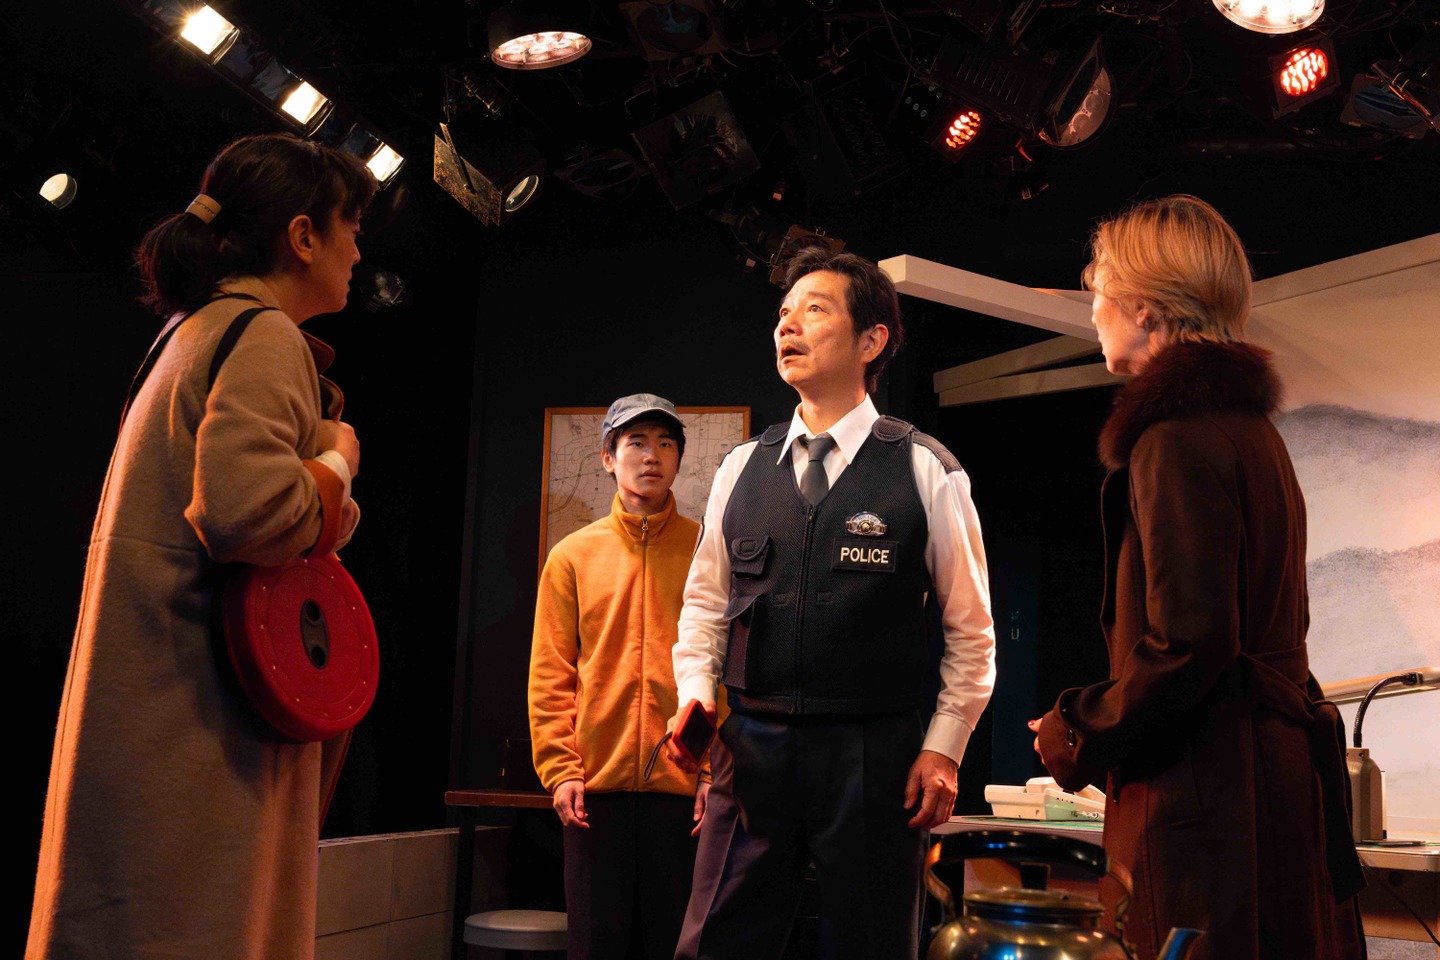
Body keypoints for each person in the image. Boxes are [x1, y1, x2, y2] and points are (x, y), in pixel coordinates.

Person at [26, 133, 375, 960]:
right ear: (303, 236)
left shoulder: (192, 330)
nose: (360, 252)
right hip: (196, 730)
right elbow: (249, 514)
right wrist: (338, 460)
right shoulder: (261, 333)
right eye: (352, 228)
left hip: (155, 712)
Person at [1030, 195, 1365, 960]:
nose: (1092, 311)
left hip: (1209, 804)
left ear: (1144, 308)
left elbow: (1189, 644)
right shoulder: (1253, 434)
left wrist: (1075, 730)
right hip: (1265, 792)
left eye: (1099, 290)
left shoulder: (1176, 439)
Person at [667, 249, 996, 960]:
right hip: (751, 748)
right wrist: (695, 696)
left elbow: (972, 634)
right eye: (783, 313)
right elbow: (704, 606)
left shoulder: (924, 469)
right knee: (713, 943)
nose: (787, 325)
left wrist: (944, 747)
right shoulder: (740, 468)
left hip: (873, 754)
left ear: (872, 340)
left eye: (814, 309)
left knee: (872, 944)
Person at [529, 393, 709, 960]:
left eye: (666, 444)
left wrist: (711, 771)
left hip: (684, 791)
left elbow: (725, 668)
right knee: (596, 947)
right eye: (636, 442)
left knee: (676, 947)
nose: (652, 456)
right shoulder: (572, 556)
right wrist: (560, 770)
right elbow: (550, 672)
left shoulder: (707, 551)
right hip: (593, 789)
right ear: (608, 458)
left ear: (678, 459)